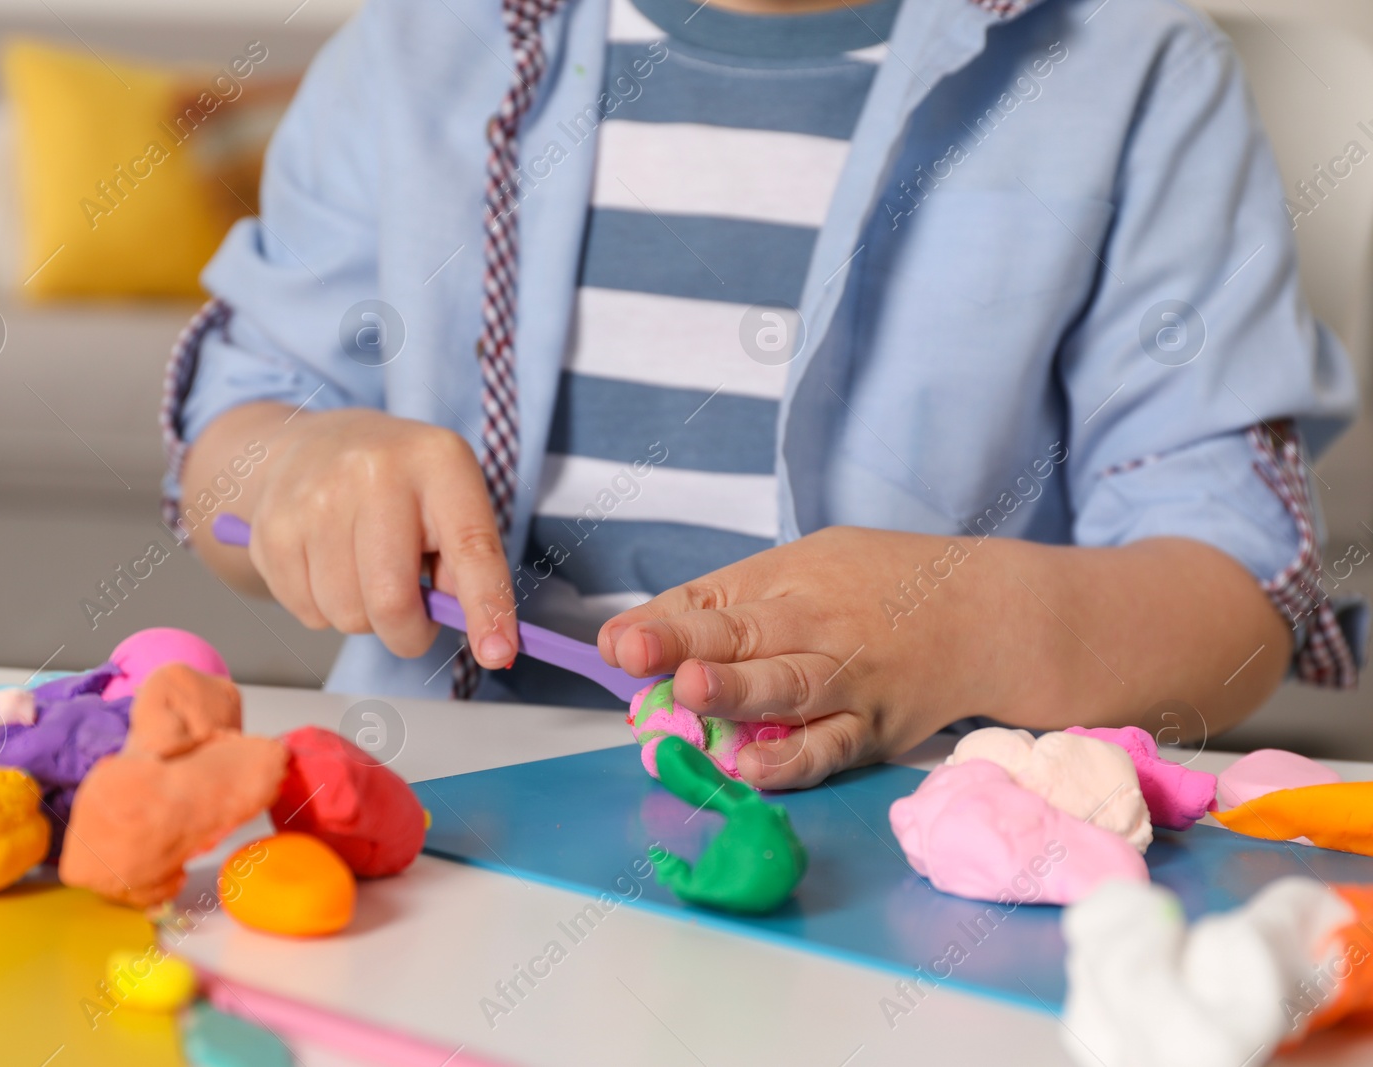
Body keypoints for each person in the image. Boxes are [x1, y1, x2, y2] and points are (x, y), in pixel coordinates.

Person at [162, 0, 1363, 791]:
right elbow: (226, 445)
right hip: (436, 822)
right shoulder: (414, 45)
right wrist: (292, 464)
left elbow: (1242, 592)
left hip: (925, 868)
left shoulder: (1138, 71)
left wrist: (962, 622)